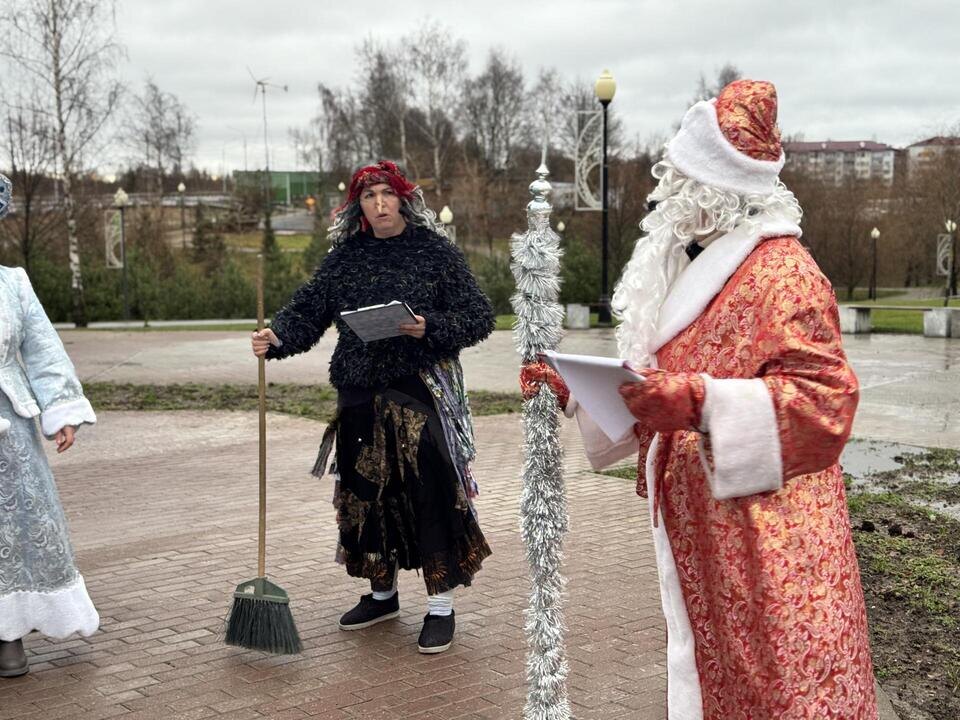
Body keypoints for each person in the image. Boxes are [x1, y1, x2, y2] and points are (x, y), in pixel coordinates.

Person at [522, 80, 878, 718]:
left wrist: (696, 403)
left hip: (772, 548)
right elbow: (661, 384)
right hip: (711, 541)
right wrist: (578, 391)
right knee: (719, 683)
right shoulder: (699, 264)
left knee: (780, 691)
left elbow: (826, 406)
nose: (666, 196)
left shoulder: (782, 272)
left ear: (716, 189)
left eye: (680, 181)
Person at [251, 161, 494, 654]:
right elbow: (308, 310)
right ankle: (381, 593)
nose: (379, 203)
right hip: (359, 392)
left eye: (386, 193)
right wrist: (275, 337)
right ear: (357, 205)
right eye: (368, 196)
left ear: (403, 198)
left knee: (429, 489)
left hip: (416, 389)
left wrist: (430, 327)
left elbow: (478, 316)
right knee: (365, 493)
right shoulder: (345, 258)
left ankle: (440, 606)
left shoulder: (435, 254)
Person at [0, 173, 99, 678]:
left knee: (17, 530)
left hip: (8, 435)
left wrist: (61, 410)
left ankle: (9, 633)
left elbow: (41, 350)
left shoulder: (13, 283)